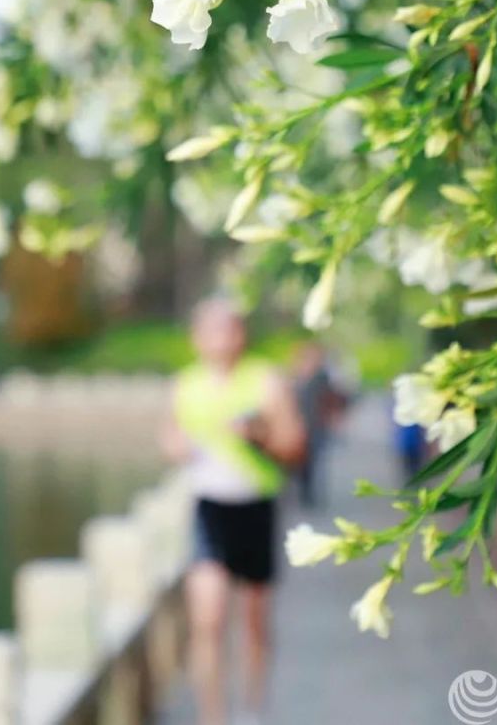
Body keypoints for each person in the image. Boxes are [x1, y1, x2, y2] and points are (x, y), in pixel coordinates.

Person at [163, 298, 306, 725]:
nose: (221, 338)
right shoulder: (185, 385)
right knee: (207, 619)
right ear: (196, 337)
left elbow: (295, 446)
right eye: (212, 330)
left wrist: (258, 435)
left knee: (254, 622)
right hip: (209, 508)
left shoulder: (265, 382)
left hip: (255, 506)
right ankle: (212, 717)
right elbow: (170, 435)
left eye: (229, 329)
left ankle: (253, 709)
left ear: (242, 334)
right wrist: (176, 448)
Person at [290, 340, 348, 508]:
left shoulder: (322, 377)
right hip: (298, 423)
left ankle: (310, 494)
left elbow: (333, 398)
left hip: (316, 424)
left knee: (313, 460)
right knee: (300, 462)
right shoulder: (296, 375)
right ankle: (302, 492)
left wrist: (333, 418)